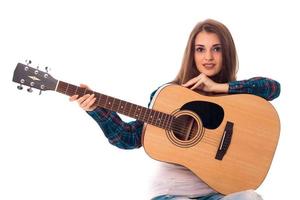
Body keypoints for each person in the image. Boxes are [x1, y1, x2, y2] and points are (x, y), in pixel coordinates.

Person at [69, 19, 280, 200]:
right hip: (172, 192)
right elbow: (129, 138)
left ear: (227, 52)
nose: (208, 56)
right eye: (200, 49)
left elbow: (272, 88)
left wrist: (221, 88)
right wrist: (97, 109)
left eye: (216, 48)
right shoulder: (169, 96)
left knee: (251, 197)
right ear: (191, 53)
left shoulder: (237, 97)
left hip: (218, 193)